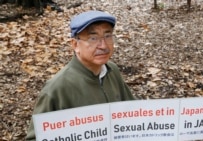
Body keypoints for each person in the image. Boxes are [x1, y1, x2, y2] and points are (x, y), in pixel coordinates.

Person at [25, 10, 136, 140]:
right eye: (93, 38)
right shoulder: (57, 88)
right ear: (75, 44)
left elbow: (131, 112)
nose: (103, 45)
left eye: (108, 36)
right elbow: (35, 138)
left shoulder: (112, 70)